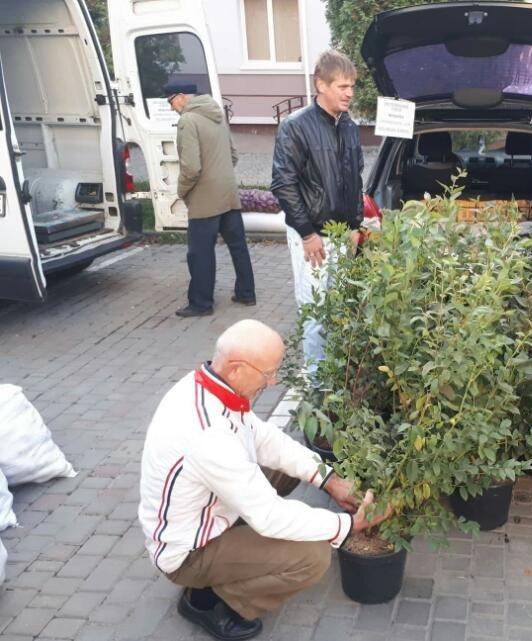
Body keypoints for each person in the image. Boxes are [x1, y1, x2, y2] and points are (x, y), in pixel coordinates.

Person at [139, 320, 389, 640]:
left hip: (210, 509)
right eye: (268, 373)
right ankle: (209, 602)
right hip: (189, 552)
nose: (273, 382)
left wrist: (328, 479)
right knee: (313, 557)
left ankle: (231, 564)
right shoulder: (207, 434)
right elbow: (270, 517)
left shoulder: (208, 386)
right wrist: (348, 525)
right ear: (237, 369)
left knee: (288, 467)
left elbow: (265, 438)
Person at [271, 51, 363, 375]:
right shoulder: (295, 127)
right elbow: (283, 184)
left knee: (338, 310)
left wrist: (355, 226)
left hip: (341, 235)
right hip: (312, 238)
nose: (349, 93)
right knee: (315, 314)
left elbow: (355, 180)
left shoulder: (349, 126)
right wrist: (307, 233)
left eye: (352, 86)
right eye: (342, 86)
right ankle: (316, 386)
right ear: (321, 85)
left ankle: (334, 380)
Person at [169, 86, 256, 318]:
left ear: (181, 97)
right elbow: (233, 155)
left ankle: (201, 303)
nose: (171, 108)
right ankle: (246, 293)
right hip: (228, 193)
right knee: (238, 246)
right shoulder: (217, 115)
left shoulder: (188, 120)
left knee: (200, 253)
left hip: (204, 198)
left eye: (170, 102)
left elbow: (191, 167)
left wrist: (181, 191)